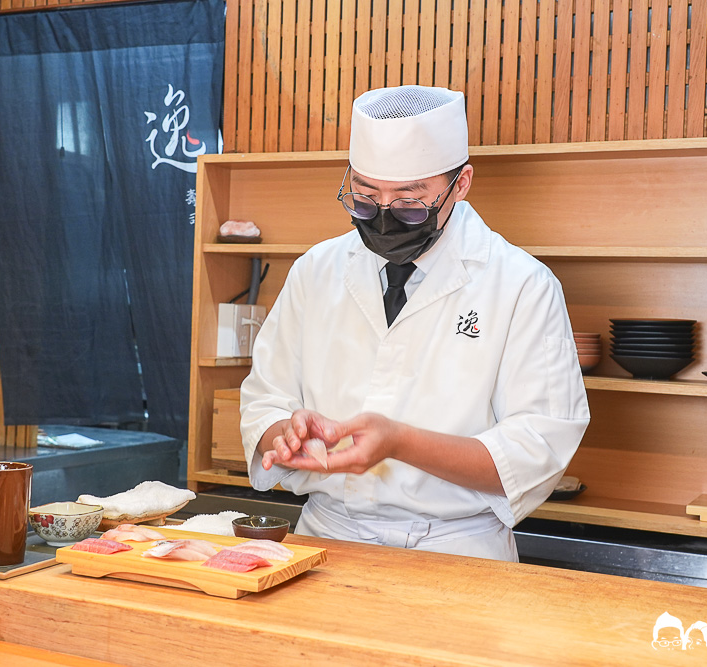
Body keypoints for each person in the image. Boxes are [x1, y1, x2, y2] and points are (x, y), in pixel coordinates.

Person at [239, 85, 589, 561]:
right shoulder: (315, 270)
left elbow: (537, 447)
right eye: (364, 198)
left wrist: (400, 443)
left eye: (409, 203)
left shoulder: (522, 285)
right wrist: (288, 434)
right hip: (322, 537)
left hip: (457, 551)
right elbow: (265, 398)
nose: (383, 220)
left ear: (460, 184)